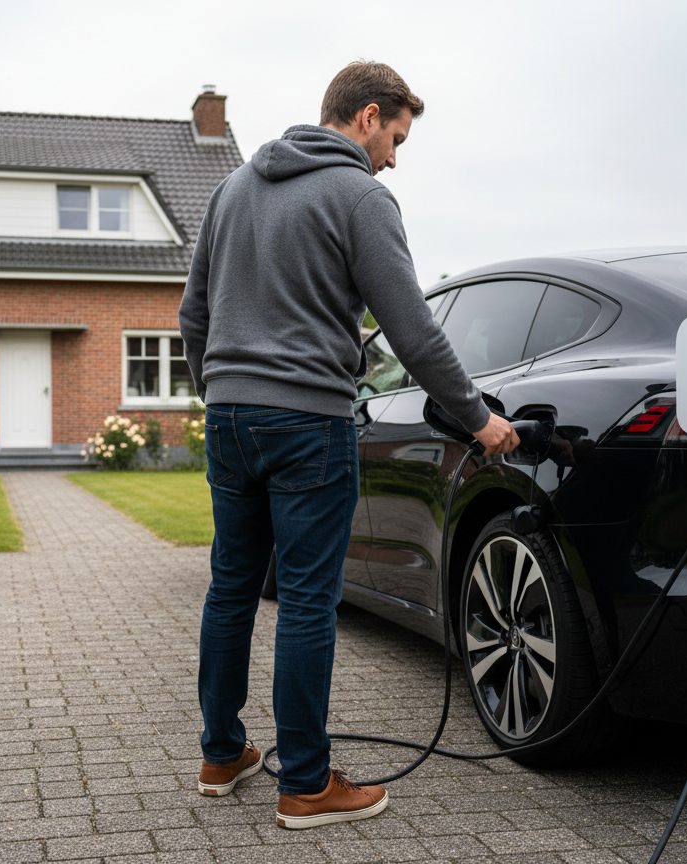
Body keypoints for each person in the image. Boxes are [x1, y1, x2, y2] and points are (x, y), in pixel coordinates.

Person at [179, 60, 519, 830]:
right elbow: (414, 331)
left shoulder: (232, 190)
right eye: (396, 137)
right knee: (304, 598)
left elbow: (191, 313)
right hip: (307, 423)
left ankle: (221, 752)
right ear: (367, 116)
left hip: (230, 419)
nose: (395, 156)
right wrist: (477, 419)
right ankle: (304, 783)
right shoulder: (362, 196)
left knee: (231, 586)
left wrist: (221, 389)